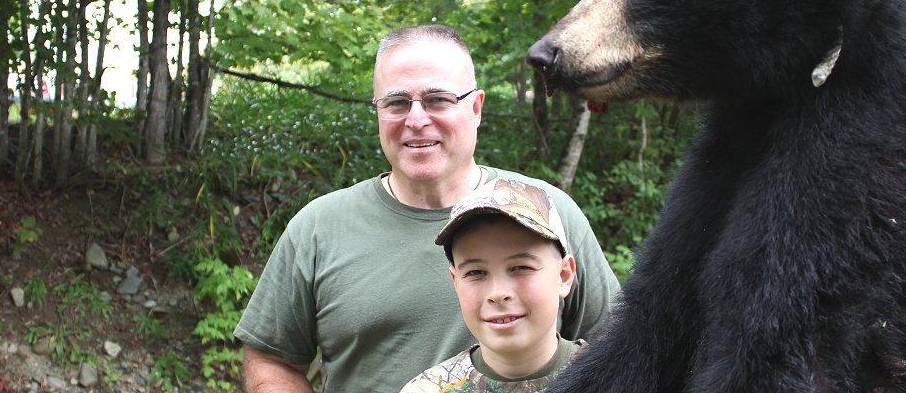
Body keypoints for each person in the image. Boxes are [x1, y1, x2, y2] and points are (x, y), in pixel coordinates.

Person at [234, 24, 620, 392]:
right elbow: (272, 359)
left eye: (438, 99)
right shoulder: (318, 228)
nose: (416, 120)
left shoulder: (547, 211)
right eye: (397, 103)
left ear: (476, 108)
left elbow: (621, 346)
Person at [400, 177, 587, 392]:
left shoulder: (619, 379)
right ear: (456, 282)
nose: (498, 293)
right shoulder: (428, 389)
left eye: (521, 268)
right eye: (476, 272)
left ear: (563, 276)